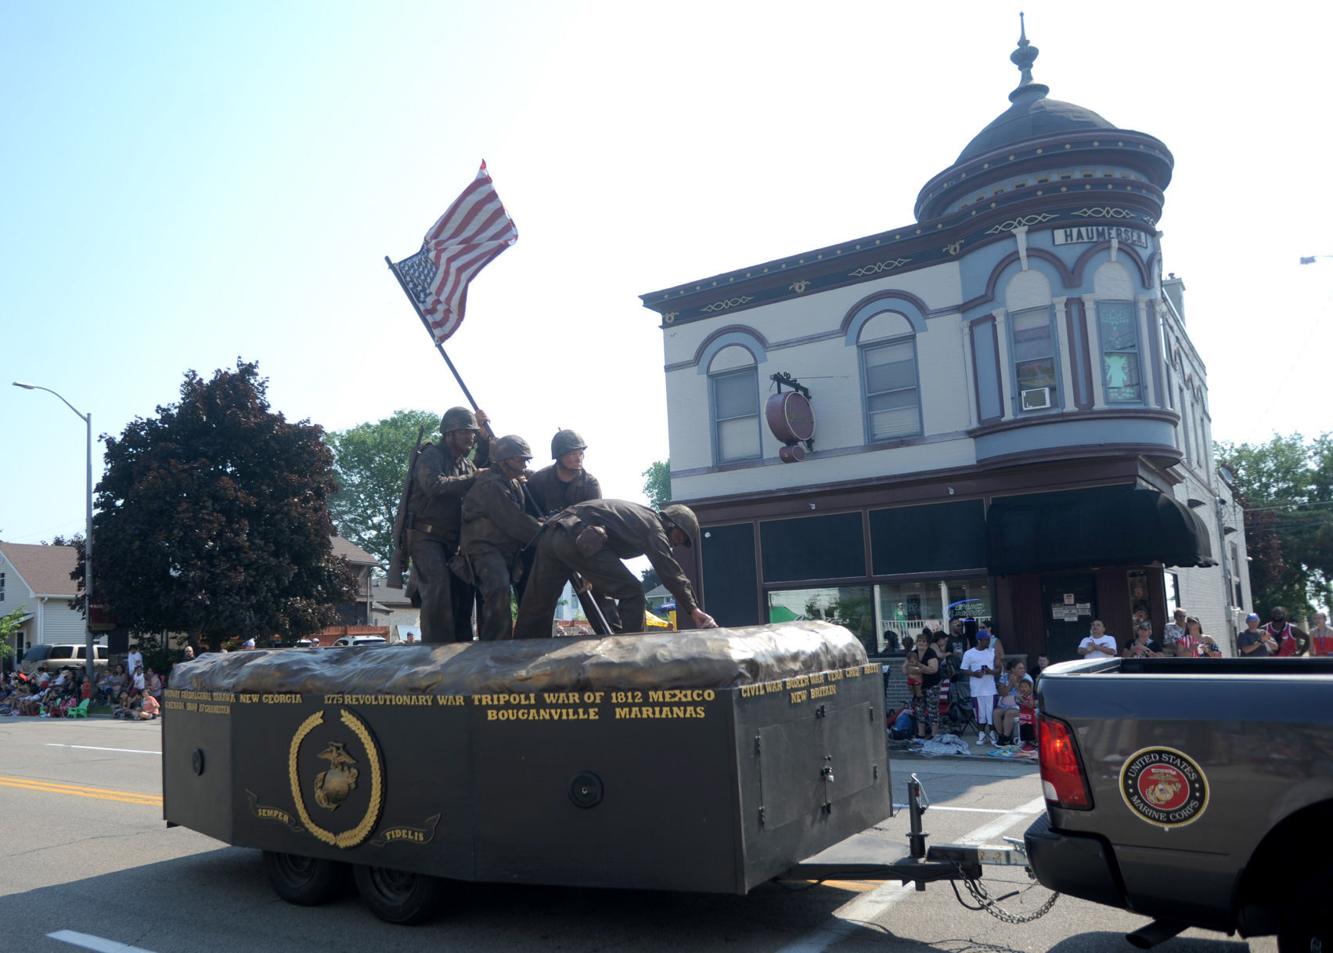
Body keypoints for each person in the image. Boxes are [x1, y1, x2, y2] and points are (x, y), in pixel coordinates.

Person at [513, 500, 717, 638]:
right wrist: (694, 609)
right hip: (575, 537)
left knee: (536, 606)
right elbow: (670, 571)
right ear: (671, 524)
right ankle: (630, 652)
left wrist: (588, 571)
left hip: (552, 534)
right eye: (678, 538)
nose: (675, 544)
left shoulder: (639, 516)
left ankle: (517, 655)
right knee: (633, 591)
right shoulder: (654, 528)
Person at [407, 406, 489, 643]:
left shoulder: (465, 464)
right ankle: (434, 651)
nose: (470, 437)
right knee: (438, 590)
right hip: (426, 537)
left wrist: (484, 439)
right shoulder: (432, 455)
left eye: (473, 433)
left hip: (456, 541)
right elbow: (434, 486)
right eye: (466, 432)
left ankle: (460, 650)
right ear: (450, 433)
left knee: (463, 594)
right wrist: (471, 479)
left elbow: (480, 471)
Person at [453, 435, 544, 642]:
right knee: (498, 588)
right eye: (520, 460)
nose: (524, 465)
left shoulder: (512, 483)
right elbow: (513, 520)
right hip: (483, 548)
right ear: (504, 460)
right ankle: (496, 645)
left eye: (525, 460)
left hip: (504, 550)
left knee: (508, 590)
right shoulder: (491, 484)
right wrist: (545, 533)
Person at [526, 430, 603, 517]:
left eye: (580, 454)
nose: (578, 459)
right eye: (573, 454)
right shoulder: (538, 480)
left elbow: (595, 518)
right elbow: (527, 515)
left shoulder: (590, 484)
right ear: (559, 456)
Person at [961, 629, 998, 745]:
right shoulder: (969, 653)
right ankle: (981, 735)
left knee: (991, 713)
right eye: (986, 640)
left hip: (990, 689)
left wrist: (990, 671)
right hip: (977, 689)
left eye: (989, 640)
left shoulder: (992, 652)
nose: (988, 642)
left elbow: (999, 669)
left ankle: (992, 734)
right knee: (979, 713)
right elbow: (963, 669)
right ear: (979, 640)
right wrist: (974, 673)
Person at [906, 631, 941, 740]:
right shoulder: (913, 653)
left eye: (924, 641)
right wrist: (909, 669)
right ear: (916, 643)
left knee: (932, 710)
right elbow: (904, 667)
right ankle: (920, 734)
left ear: (927, 643)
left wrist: (920, 666)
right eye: (919, 641)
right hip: (918, 687)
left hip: (932, 685)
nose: (922, 643)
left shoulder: (931, 653)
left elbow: (934, 669)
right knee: (919, 709)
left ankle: (934, 734)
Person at [994, 659, 1032, 745]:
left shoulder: (1027, 678)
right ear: (1013, 669)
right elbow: (1001, 693)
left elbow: (1026, 694)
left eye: (1023, 668)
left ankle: (1006, 738)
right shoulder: (1004, 677)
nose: (1023, 670)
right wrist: (1010, 684)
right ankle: (1001, 736)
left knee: (1009, 713)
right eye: (1020, 668)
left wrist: (1015, 683)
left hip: (1022, 705)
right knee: (996, 712)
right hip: (1007, 703)